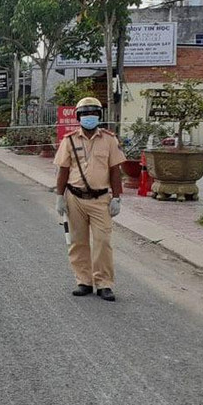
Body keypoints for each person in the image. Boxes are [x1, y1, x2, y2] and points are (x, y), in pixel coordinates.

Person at [53, 96, 125, 302]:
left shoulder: (109, 140)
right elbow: (63, 171)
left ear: (99, 116)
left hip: (101, 199)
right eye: (85, 114)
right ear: (78, 117)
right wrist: (59, 197)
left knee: (103, 242)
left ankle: (104, 284)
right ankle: (84, 281)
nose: (89, 117)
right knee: (78, 242)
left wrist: (116, 197)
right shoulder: (69, 140)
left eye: (93, 113)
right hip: (74, 198)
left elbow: (115, 170)